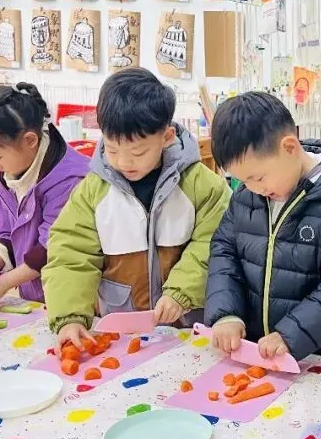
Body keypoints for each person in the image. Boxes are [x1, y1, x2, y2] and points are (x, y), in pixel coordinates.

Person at [42, 68, 230, 353]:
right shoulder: (93, 190)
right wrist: (69, 317)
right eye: (112, 150)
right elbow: (71, 254)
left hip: (189, 329)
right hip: (121, 332)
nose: (123, 162)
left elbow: (213, 244)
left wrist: (181, 292)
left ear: (167, 136)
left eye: (138, 152)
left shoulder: (202, 185)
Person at [204, 91, 321, 365]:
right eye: (243, 181)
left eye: (259, 178)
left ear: (290, 148)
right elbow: (224, 251)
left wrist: (290, 336)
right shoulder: (248, 196)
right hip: (259, 352)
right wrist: (226, 313)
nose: (254, 189)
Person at [0, 83, 89, 311]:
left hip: (72, 300)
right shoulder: (11, 173)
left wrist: (3, 283)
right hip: (37, 298)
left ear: (30, 140)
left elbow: (52, 247)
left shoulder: (70, 180)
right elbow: (7, 229)